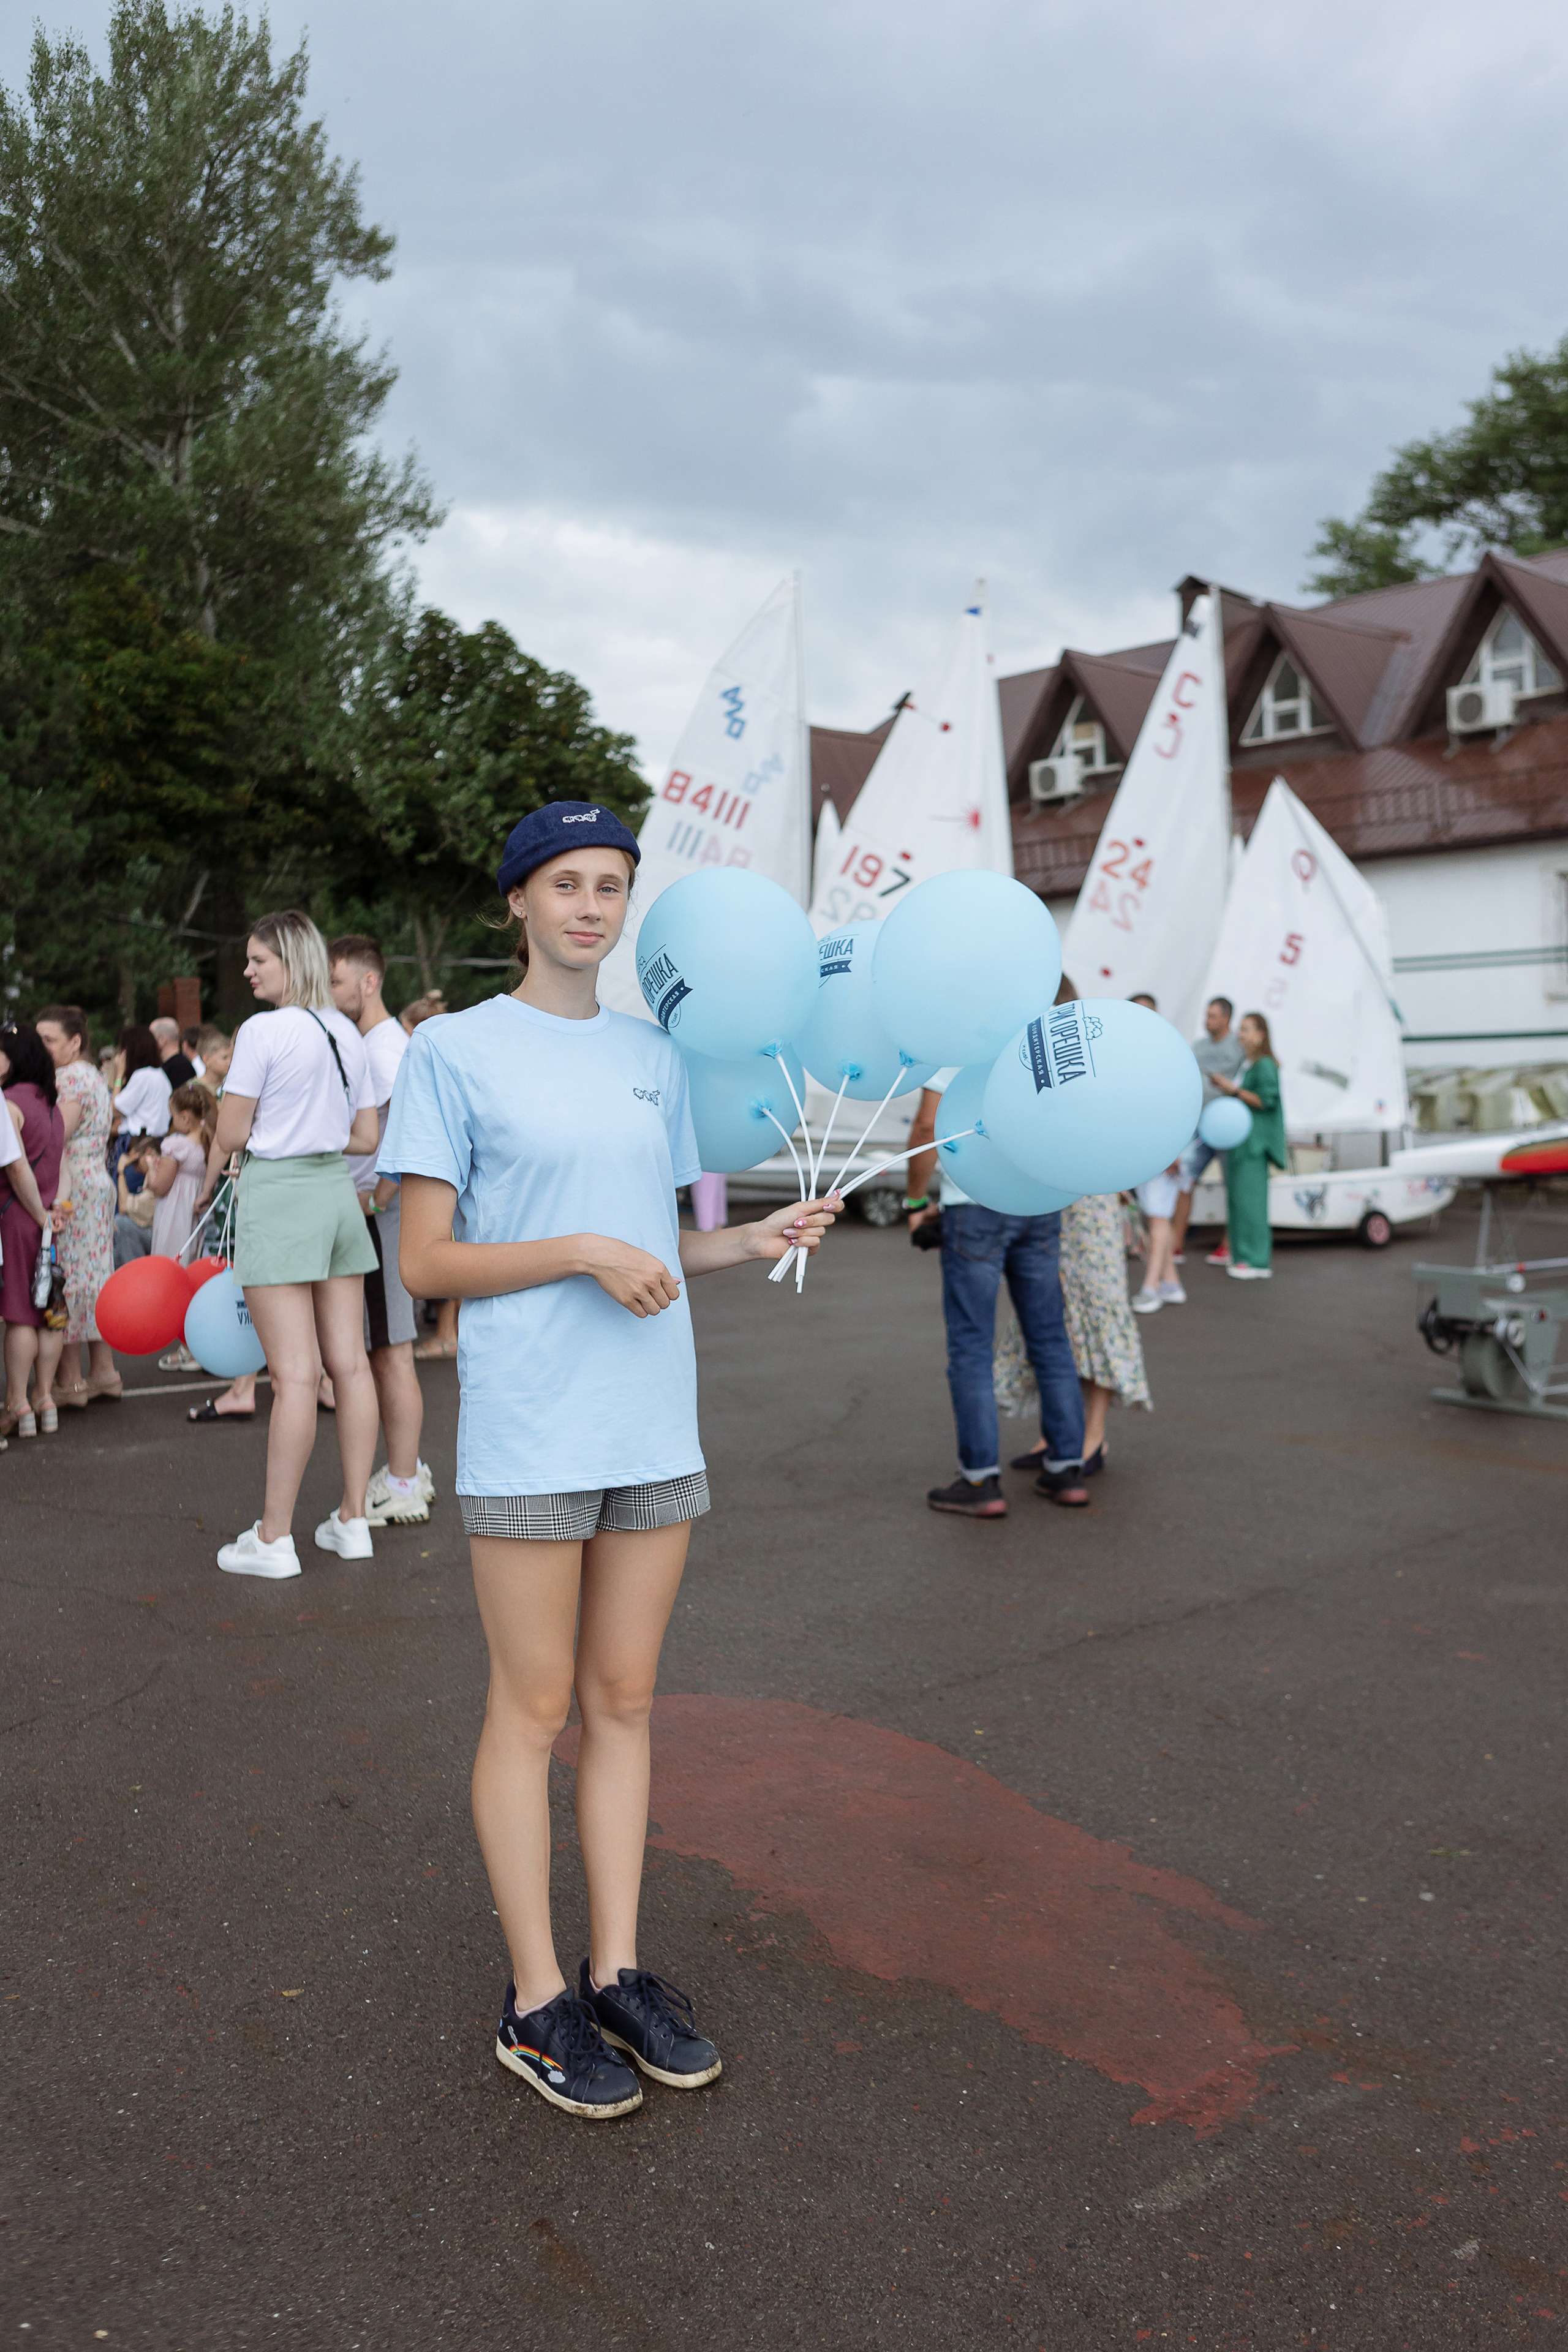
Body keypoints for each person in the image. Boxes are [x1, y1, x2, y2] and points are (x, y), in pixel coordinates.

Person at [385, 800, 836, 2120]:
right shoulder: (452, 1051)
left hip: (652, 1422)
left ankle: (618, 1970)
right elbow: (426, 1262)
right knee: (530, 1712)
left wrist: (744, 1243)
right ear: (517, 901)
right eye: (567, 883)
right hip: (532, 1421)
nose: (591, 906)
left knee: (625, 1704)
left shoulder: (654, 1056)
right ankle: (536, 2002)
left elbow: (659, 1237)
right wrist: (582, 1250)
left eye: (611, 886)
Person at [195, 910, 382, 1577]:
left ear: (290, 961)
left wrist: (248, 1130)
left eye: (258, 960)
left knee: (295, 1375)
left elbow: (234, 1131)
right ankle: (353, 1518)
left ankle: (275, 1538)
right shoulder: (345, 1031)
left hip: (279, 1197)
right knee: (351, 1365)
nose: (247, 970)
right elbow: (365, 1137)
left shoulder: (263, 1031)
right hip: (336, 1192)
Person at [905, 1069, 1088, 1518]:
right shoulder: (1037, 1042)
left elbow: (928, 1127)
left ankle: (980, 1479)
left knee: (971, 1347)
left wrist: (913, 1202)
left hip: (974, 1206)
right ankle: (1067, 1468)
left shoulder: (956, 1053)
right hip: (1038, 1201)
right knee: (1048, 1338)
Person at [329, 934, 432, 1527]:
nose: (332, 990)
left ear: (369, 981)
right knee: (384, 1351)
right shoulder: (374, 1043)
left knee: (391, 1353)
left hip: (381, 1218)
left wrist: (379, 1198)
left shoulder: (385, 1048)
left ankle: (403, 1481)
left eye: (339, 981)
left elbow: (412, 1137)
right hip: (375, 1214)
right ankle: (405, 1471)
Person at [35, 1006, 121, 1409]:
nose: (42, 1048)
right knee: (92, 1277)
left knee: (69, 1278)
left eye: (49, 1040)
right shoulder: (92, 1075)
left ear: (75, 1042)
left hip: (74, 1184)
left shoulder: (68, 1079)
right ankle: (103, 1372)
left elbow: (57, 1136)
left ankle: (70, 1382)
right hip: (94, 1182)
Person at [1, 1022, 66, 1439]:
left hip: (17, 1216)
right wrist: (55, 1210)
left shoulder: (8, 1103)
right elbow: (64, 1165)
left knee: (21, 1314)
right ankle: (45, 1397)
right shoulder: (52, 1105)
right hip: (50, 1217)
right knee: (50, 1311)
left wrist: (40, 1214)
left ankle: (18, 1401)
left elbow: (15, 1166)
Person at [1172, 997, 1246, 1270]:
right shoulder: (1199, 1047)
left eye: (1214, 1016)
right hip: (1199, 1128)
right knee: (1185, 1181)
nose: (1208, 1021)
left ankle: (1228, 1247)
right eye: (1207, 1015)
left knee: (1234, 1186)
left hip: (1228, 1128)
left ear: (1226, 1018)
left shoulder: (1239, 1046)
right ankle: (1175, 1245)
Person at [1211, 1012, 1286, 1280]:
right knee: (1239, 1202)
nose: (1240, 1035)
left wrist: (1232, 1090)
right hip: (1242, 1145)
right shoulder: (1251, 1064)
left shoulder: (1265, 1065)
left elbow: (1267, 1100)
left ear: (1260, 1035)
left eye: (1245, 1030)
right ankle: (1242, 1256)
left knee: (1252, 1204)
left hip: (1255, 1145)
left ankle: (1256, 1260)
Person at [148, 1082, 216, 1259]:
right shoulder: (207, 1146)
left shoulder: (176, 1146)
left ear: (185, 1117)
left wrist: (150, 1167)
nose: (173, 1121)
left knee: (170, 1261)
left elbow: (161, 1187)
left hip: (174, 1217)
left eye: (173, 1116)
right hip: (194, 1219)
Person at [111, 1025, 172, 1144]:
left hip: (138, 1141)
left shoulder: (143, 1076)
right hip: (156, 1139)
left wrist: (119, 1075)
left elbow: (115, 1109)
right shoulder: (160, 1074)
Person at [114, 1137, 159, 1264]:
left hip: (164, 1238)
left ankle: (135, 1274)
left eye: (136, 1162)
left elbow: (124, 1207)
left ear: (149, 1153)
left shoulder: (158, 1171)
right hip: (154, 1232)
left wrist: (121, 1171)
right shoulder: (152, 1173)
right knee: (115, 1253)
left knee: (122, 1224)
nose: (135, 1169)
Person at [151, 1015, 197, 1090]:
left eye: (152, 1037)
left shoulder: (180, 1067)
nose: (150, 1042)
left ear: (162, 1040)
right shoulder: (174, 1065)